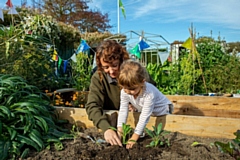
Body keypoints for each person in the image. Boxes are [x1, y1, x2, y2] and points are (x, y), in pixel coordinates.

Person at [85, 40, 156, 147]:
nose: (111, 71)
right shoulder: (98, 78)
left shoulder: (135, 71)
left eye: (114, 65)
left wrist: (138, 102)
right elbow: (92, 105)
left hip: (138, 121)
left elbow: (152, 91)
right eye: (106, 67)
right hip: (116, 123)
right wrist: (106, 128)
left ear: (122, 60)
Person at [117, 60, 174, 149]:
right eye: (125, 88)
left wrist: (134, 137)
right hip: (149, 112)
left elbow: (144, 116)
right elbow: (123, 110)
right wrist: (120, 131)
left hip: (163, 111)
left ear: (142, 82)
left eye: (132, 89)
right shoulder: (125, 92)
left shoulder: (149, 93)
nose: (128, 92)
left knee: (162, 131)